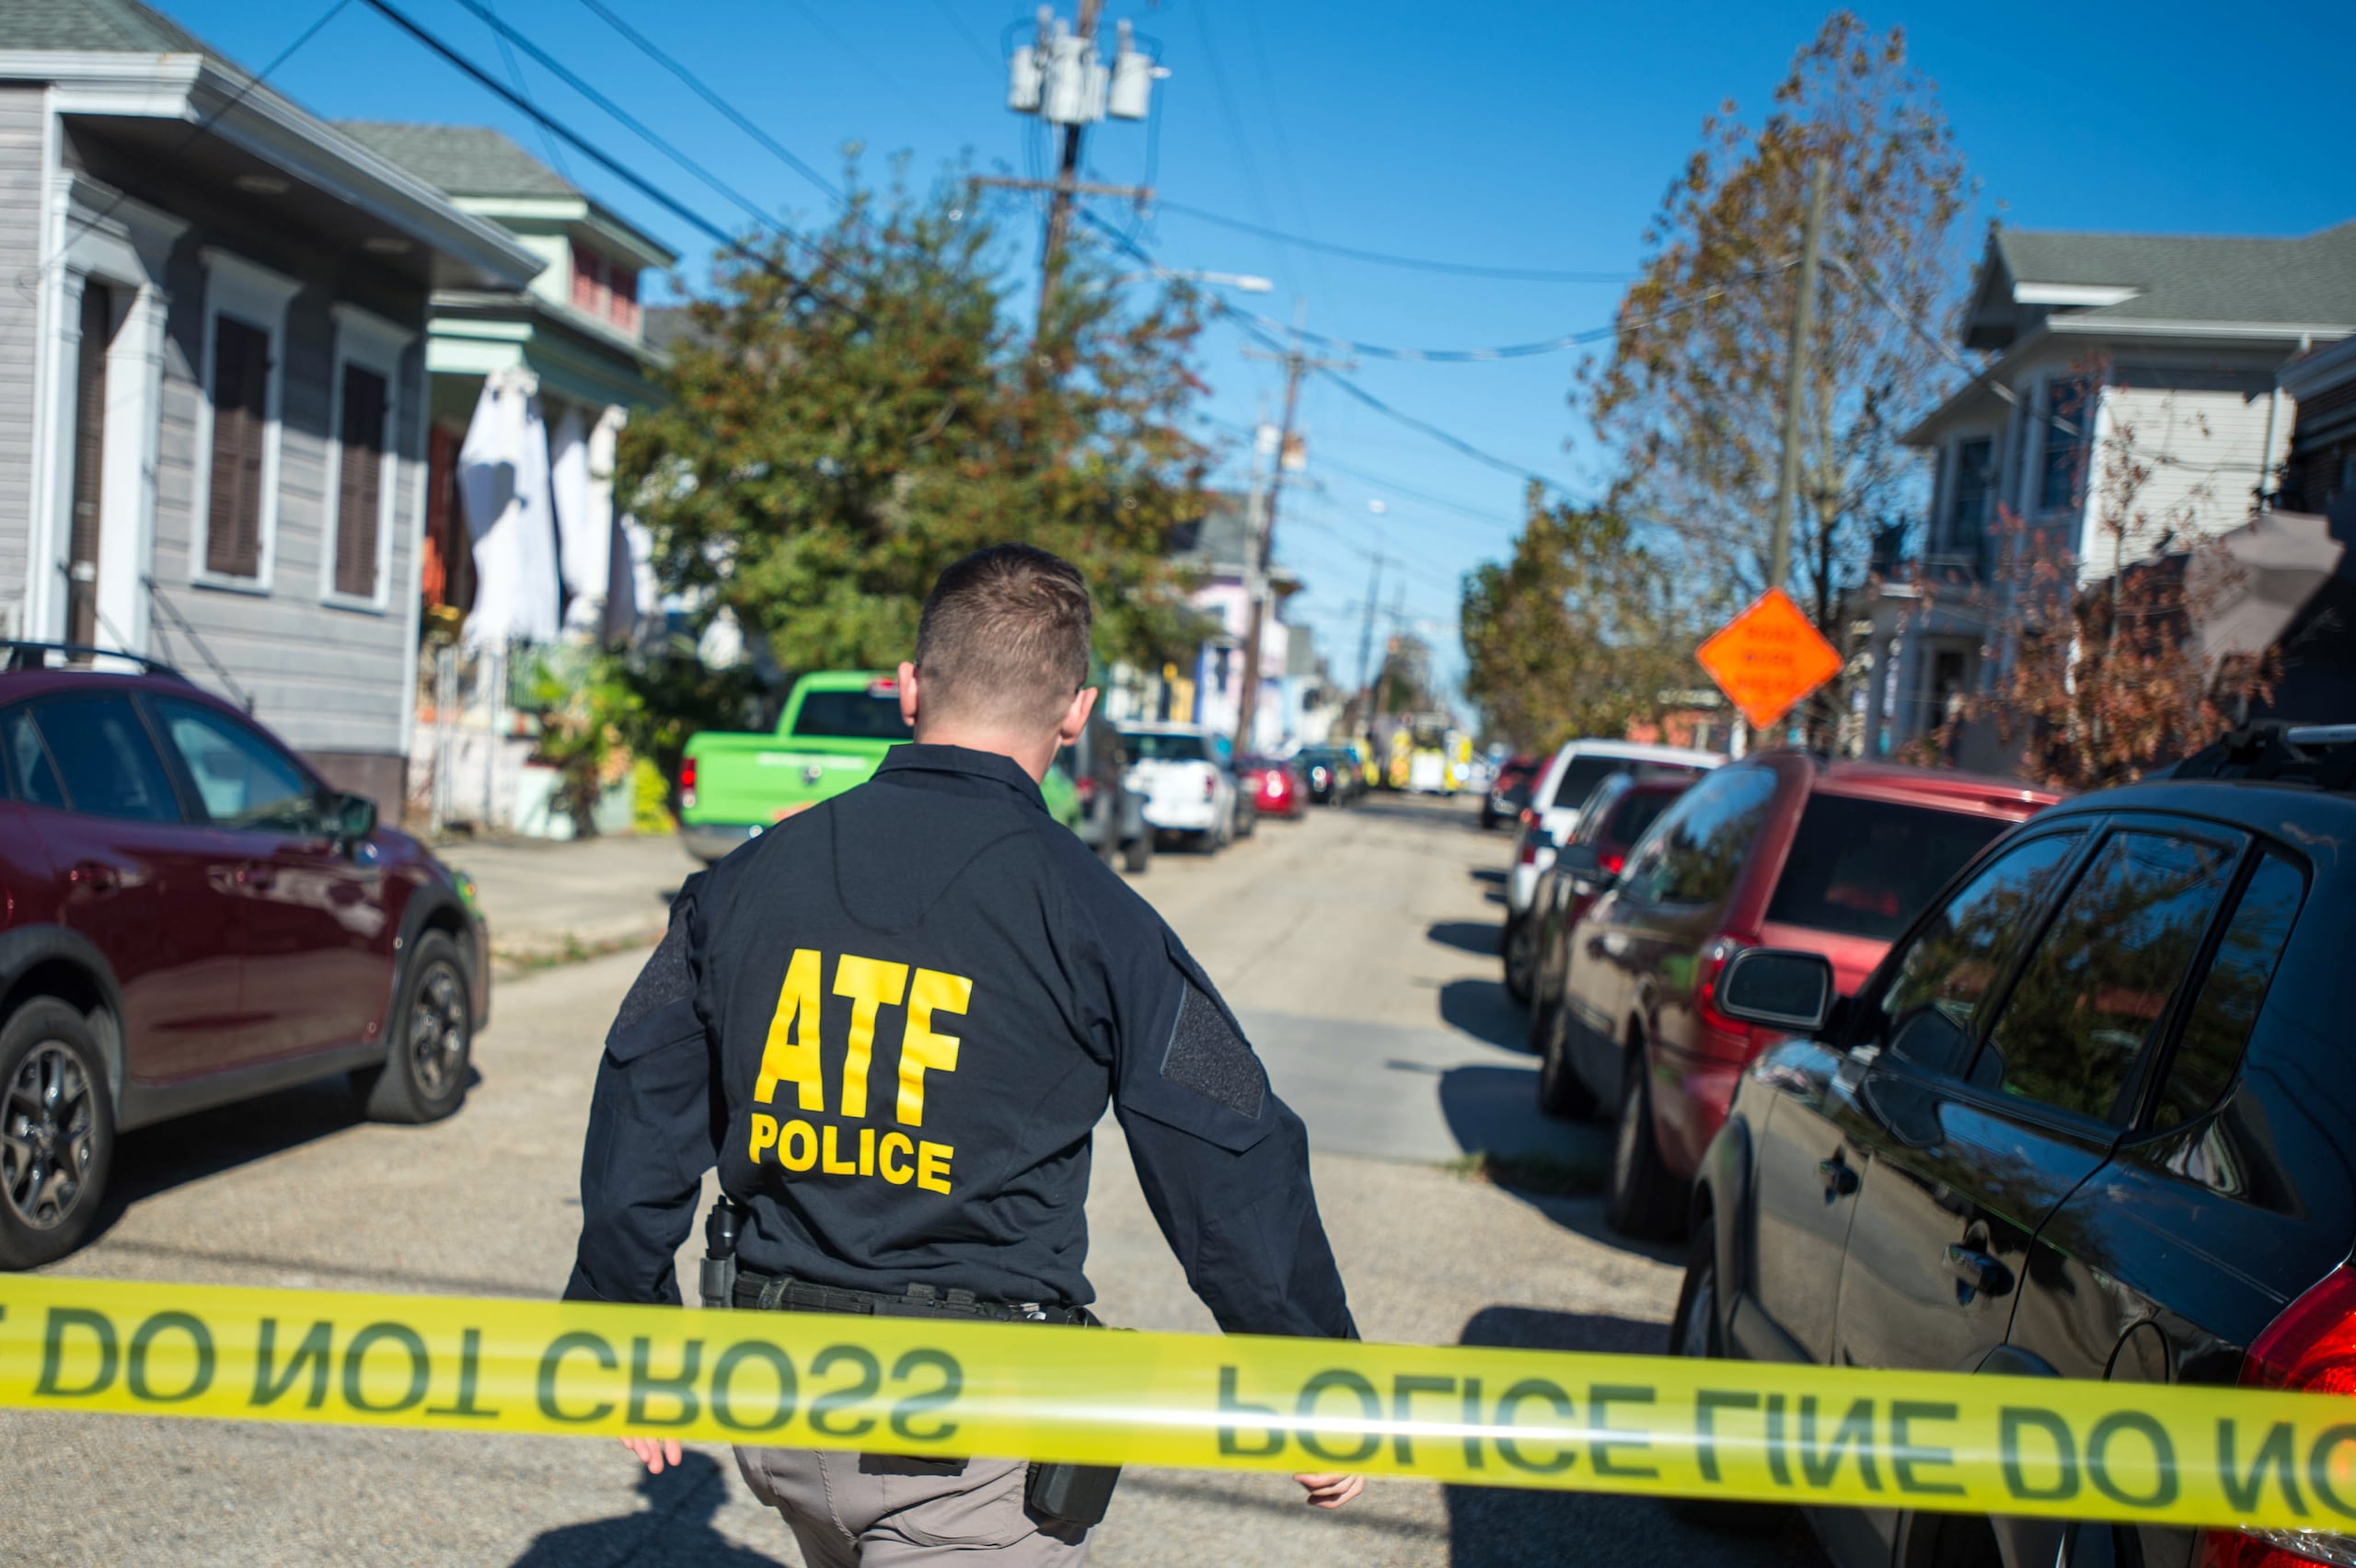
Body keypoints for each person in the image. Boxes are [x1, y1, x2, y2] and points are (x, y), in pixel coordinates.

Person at [564, 544, 1362, 1564]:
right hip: (968, 1445)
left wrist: (630, 1322)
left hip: (772, 1399)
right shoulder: (1099, 918)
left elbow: (643, 1091)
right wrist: (1315, 1379)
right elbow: (1225, 1147)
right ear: (1076, 712)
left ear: (908, 687)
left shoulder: (742, 881)